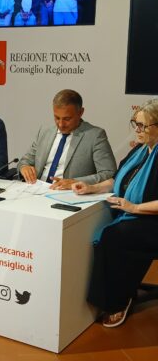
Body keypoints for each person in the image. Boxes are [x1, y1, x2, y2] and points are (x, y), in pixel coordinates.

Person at [72, 99, 158, 328]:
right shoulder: (140, 150)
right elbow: (117, 179)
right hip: (134, 214)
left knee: (114, 237)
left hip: (152, 220)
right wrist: (92, 188)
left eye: (143, 126)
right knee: (102, 229)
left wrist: (134, 208)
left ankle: (118, 300)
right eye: (135, 124)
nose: (137, 130)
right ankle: (108, 295)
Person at [18, 89, 116, 189]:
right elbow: (25, 161)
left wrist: (75, 182)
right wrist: (24, 167)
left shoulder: (95, 136)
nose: (61, 124)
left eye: (67, 119)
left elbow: (109, 173)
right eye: (57, 118)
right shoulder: (45, 131)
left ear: (80, 112)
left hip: (67, 193)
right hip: (36, 189)